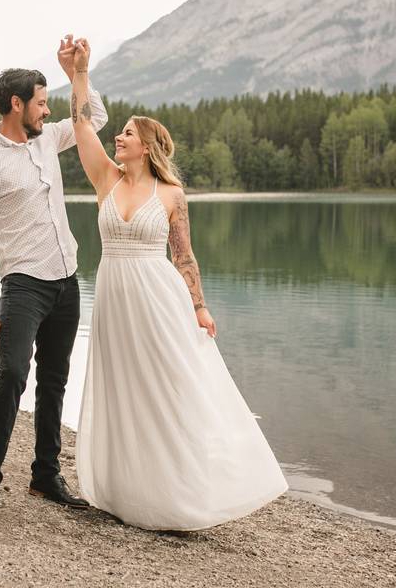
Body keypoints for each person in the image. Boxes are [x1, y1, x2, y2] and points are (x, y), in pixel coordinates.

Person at [69, 38, 288, 530]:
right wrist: (79, 74)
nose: (117, 138)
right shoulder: (106, 180)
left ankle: (181, 492)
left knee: (168, 387)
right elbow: (83, 125)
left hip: (158, 297)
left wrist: (200, 306)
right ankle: (129, 492)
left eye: (125, 133)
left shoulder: (171, 194)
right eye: (119, 133)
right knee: (123, 387)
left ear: (145, 145)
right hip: (113, 298)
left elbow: (184, 256)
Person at [0, 36, 108, 514]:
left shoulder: (47, 140)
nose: (47, 111)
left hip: (67, 280)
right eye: (41, 104)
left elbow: (94, 120)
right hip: (23, 286)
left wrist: (77, 74)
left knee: (55, 379)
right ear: (16, 105)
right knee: (13, 375)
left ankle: (46, 474)